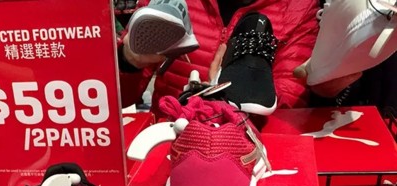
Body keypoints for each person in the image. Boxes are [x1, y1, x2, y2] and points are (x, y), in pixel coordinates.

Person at [118, 0, 361, 115]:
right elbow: (113, 99)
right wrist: (127, 61)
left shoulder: (300, 8)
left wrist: (225, 95)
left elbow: (289, 103)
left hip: (250, 149)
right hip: (167, 141)